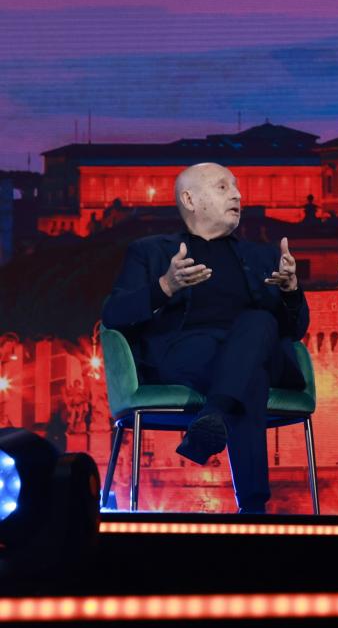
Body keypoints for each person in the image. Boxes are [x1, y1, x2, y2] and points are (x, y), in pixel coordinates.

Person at [102, 162, 309, 513]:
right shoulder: (151, 251)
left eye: (237, 187)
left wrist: (291, 291)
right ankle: (253, 509)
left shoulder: (262, 257)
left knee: (258, 323)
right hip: (186, 356)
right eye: (223, 187)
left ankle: (213, 415)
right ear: (190, 199)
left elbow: (295, 329)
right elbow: (114, 314)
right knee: (249, 376)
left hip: (257, 348)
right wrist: (165, 286)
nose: (238, 195)